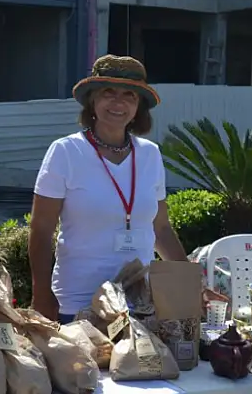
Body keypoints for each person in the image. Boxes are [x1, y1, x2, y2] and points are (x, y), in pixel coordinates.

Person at [28, 54, 189, 324]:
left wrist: (188, 282)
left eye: (129, 95)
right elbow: (41, 230)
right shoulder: (66, 151)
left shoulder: (150, 154)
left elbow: (160, 228)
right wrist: (41, 292)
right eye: (108, 93)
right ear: (93, 100)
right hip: (78, 303)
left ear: (139, 106)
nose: (118, 102)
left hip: (140, 305)